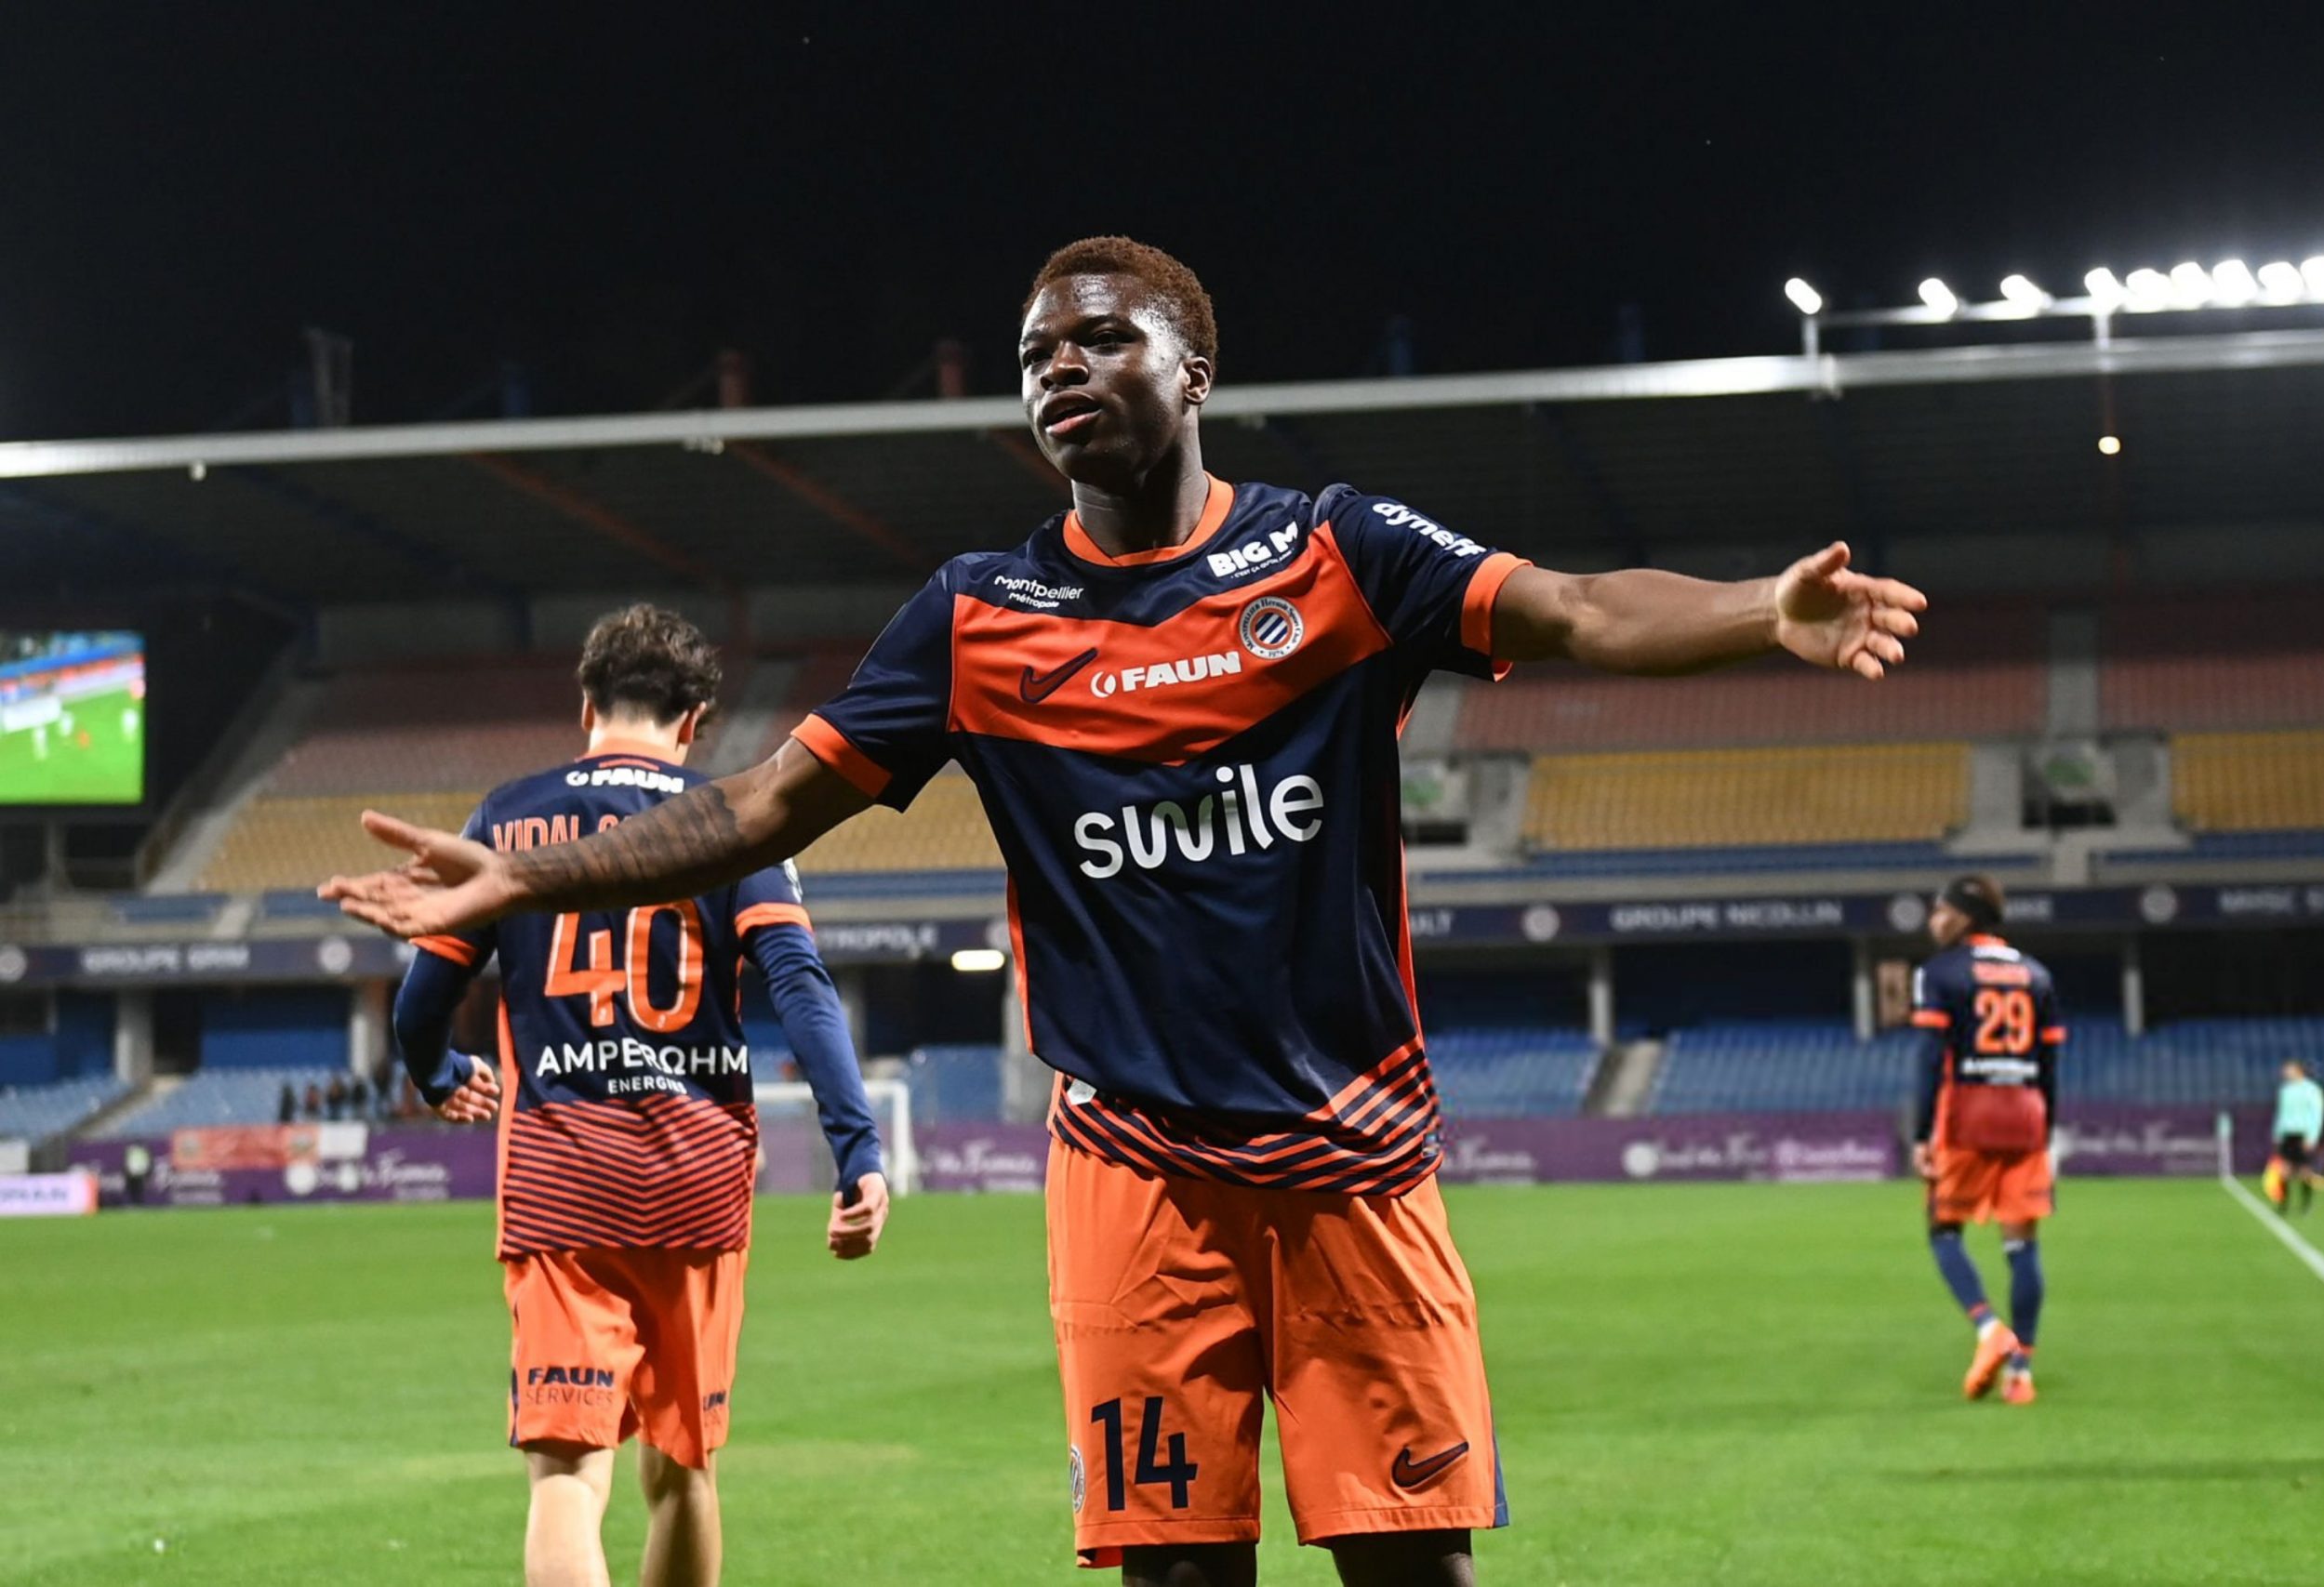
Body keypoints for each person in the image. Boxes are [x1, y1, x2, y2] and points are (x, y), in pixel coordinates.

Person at [325, 236, 1925, 1587]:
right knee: (1174, 1569)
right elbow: (753, 808)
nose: (1061, 370)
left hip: (1357, 1158)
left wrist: (1755, 610)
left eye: (1100, 338)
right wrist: (528, 871)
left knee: (1414, 1564)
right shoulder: (974, 617)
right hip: (1135, 1172)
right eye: (1038, 355)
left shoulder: (1335, 551)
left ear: (1194, 369)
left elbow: (1572, 608)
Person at [385, 603, 891, 1587]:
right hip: (697, 1176)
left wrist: (440, 1074)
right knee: (685, 1468)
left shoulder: (507, 818)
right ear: (694, 720)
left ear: (586, 705)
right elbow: (799, 983)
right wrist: (856, 1147)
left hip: (561, 1176)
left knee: (567, 1478)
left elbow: (421, 1003)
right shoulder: (736, 819)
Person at [1909, 874, 2062, 1408]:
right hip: (2025, 1116)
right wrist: (2045, 1132)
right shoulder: (2037, 974)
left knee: (1943, 1230)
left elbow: (1930, 1057)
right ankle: (2021, 1372)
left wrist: (1921, 1134)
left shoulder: (1939, 972)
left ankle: (1989, 1328)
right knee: (2022, 1245)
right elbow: (2049, 1064)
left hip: (1967, 1115)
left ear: (1965, 916)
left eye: (1941, 910)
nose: (1934, 921)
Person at [2272, 1059, 2324, 1217]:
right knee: (2284, 1171)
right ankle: (2283, 1204)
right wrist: (2277, 1134)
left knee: (2305, 1171)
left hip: (2303, 1134)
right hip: (2287, 1134)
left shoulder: (2312, 1089)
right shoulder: (2285, 1090)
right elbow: (2281, 1113)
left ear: (2299, 1071)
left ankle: (2306, 1205)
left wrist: (2312, 1137)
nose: (2285, 1073)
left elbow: (2317, 1114)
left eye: (2288, 1070)